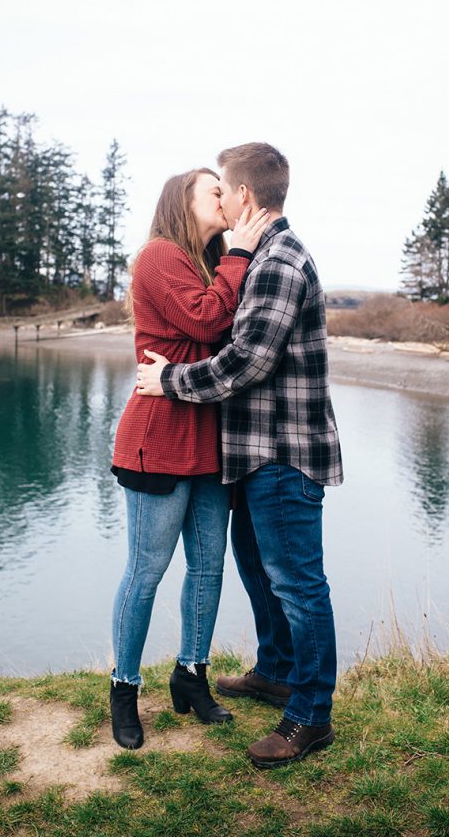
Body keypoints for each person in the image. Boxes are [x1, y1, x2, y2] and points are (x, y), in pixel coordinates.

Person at [136, 143, 343, 768]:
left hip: (282, 453)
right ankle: (276, 671)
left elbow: (247, 360)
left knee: (299, 586)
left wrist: (169, 380)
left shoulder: (280, 259)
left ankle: (310, 714)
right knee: (259, 571)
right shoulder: (251, 256)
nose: (220, 200)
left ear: (245, 197)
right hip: (252, 454)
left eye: (223, 190)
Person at [109, 167, 269, 749]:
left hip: (209, 443)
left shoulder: (213, 263)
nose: (226, 198)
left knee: (207, 569)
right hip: (158, 439)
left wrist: (235, 261)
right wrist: (242, 255)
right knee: (146, 572)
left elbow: (230, 337)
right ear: (185, 200)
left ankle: (191, 675)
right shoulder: (158, 256)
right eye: (215, 191)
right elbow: (205, 317)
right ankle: (124, 688)